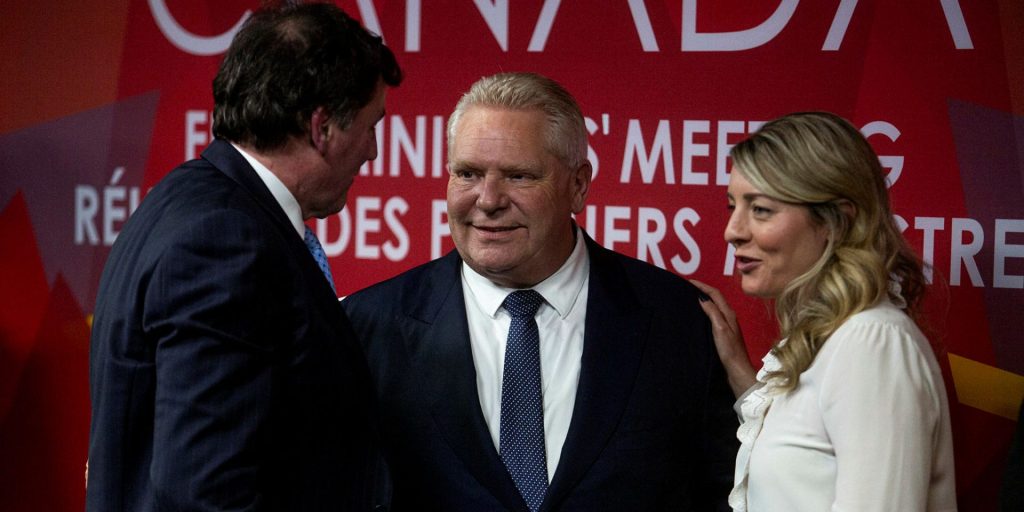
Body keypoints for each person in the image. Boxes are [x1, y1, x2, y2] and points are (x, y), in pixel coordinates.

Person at [342, 72, 738, 512]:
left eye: (519, 176)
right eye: (468, 173)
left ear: (579, 185)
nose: (488, 199)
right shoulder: (368, 326)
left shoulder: (677, 320)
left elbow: (723, 492)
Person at [86, 3, 402, 511]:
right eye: (370, 126)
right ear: (322, 128)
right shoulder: (224, 243)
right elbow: (204, 490)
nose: (373, 150)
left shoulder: (194, 198)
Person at [693, 111, 957, 511]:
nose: (733, 229)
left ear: (836, 220)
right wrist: (738, 370)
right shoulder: (836, 337)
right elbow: (806, 457)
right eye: (733, 206)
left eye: (760, 209)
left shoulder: (872, 343)